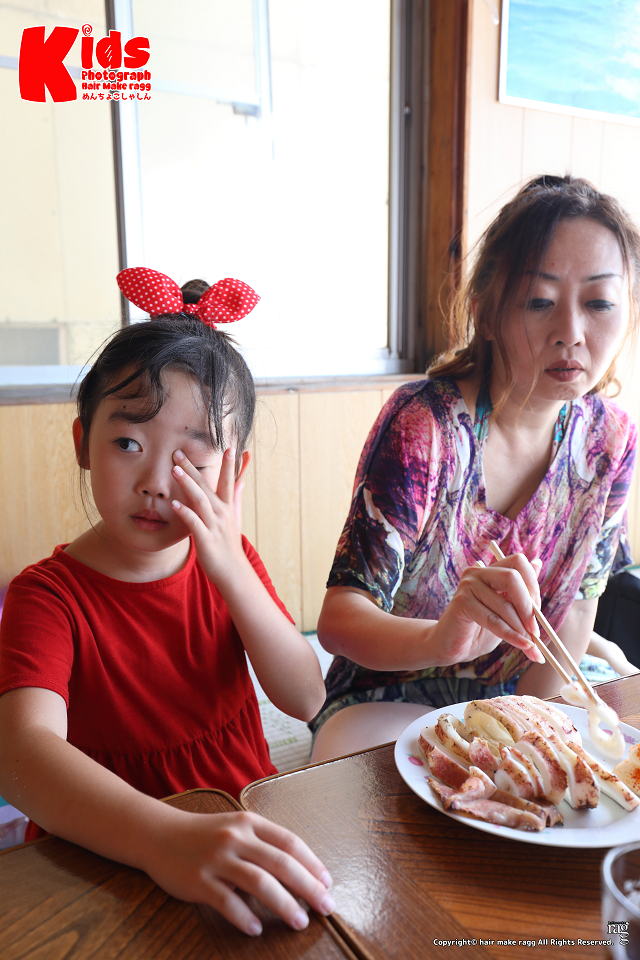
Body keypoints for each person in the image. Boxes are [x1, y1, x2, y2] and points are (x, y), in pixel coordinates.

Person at [0, 268, 334, 937]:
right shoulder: (48, 595)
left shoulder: (231, 567)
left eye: (191, 460)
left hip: (240, 830)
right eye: (128, 443)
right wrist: (162, 838)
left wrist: (233, 574)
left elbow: (305, 698)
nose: (155, 482)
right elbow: (21, 752)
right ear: (83, 445)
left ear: (232, 473)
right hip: (100, 856)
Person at [311, 174, 640, 762]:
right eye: (539, 301)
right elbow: (339, 621)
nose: (571, 333)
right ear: (488, 311)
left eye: (599, 303)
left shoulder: (610, 439)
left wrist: (529, 728)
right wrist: (443, 640)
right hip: (393, 690)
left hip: (525, 687)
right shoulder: (425, 426)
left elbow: (578, 604)